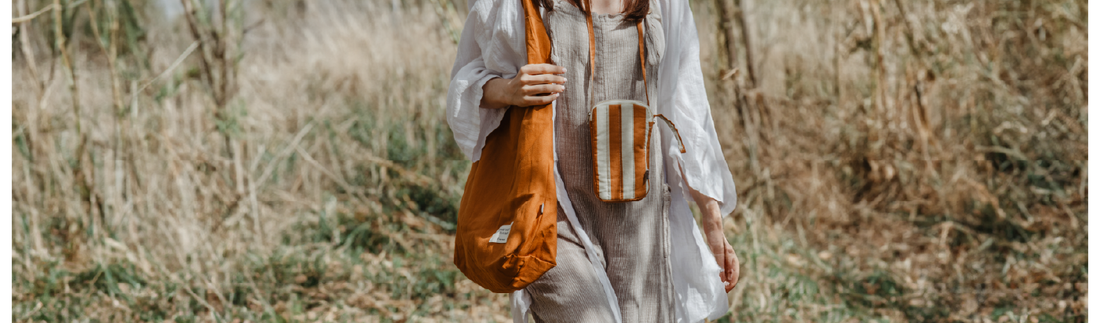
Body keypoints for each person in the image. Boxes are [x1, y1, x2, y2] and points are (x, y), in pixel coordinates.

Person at [446, 0, 740, 320]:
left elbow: (687, 107)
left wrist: (711, 218)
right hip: (552, 214)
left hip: (641, 221)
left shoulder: (665, 4)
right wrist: (508, 90)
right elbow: (465, 82)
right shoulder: (513, 4)